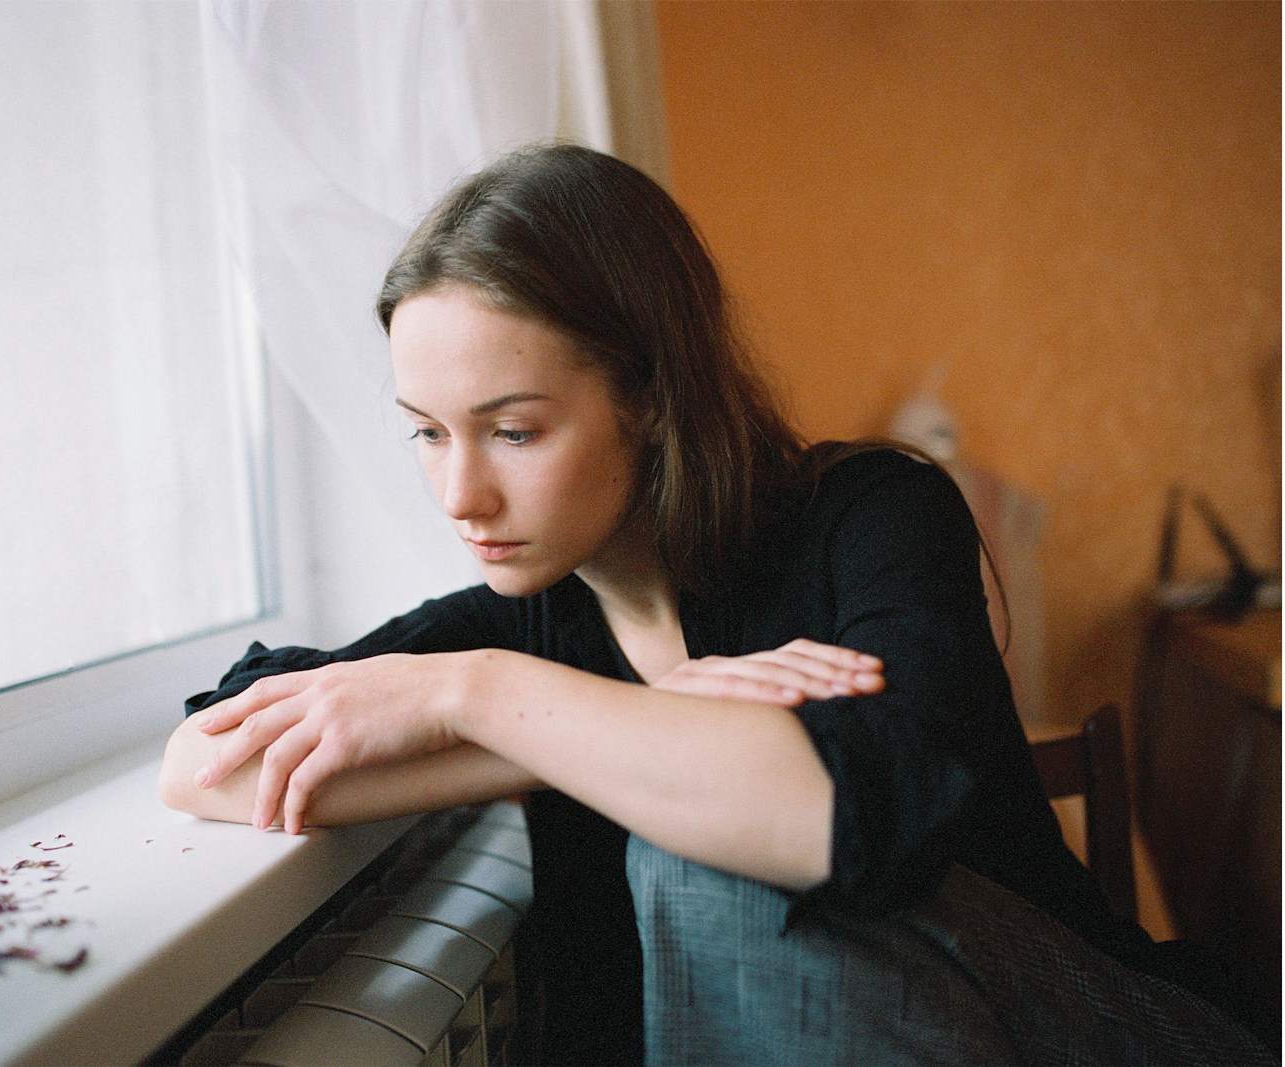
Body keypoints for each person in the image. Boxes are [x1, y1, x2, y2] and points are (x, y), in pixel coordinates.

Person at [160, 143, 1271, 1065]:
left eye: (512, 430)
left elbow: (839, 817)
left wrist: (479, 694)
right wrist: (545, 726)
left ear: (649, 394)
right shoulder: (528, 614)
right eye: (425, 430)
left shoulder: (871, 512)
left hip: (1106, 1031)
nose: (460, 494)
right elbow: (206, 760)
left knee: (703, 844)